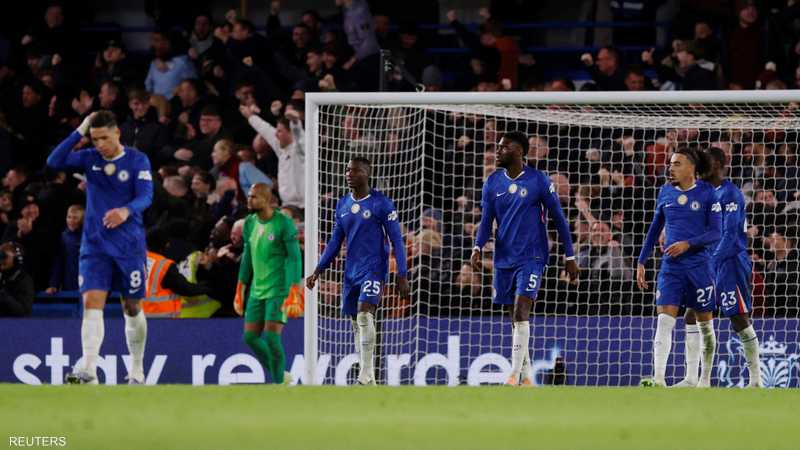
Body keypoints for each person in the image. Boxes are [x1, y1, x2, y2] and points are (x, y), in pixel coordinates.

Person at [46, 111, 153, 385]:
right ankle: (89, 370)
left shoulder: (137, 160)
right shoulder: (90, 158)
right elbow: (53, 161)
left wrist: (126, 211)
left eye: (104, 138)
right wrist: (80, 129)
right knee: (92, 303)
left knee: (131, 306)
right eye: (94, 139)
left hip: (128, 245)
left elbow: (146, 196)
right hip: (94, 246)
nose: (100, 144)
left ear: (118, 132)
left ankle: (137, 371)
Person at [470, 131, 579, 386]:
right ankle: (528, 376)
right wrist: (477, 247)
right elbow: (487, 220)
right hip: (503, 258)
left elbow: (559, 219)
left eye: (503, 147)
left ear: (519, 151)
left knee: (521, 310)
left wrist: (570, 255)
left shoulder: (538, 180)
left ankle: (514, 375)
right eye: (498, 147)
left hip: (533, 256)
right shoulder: (492, 182)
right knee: (514, 317)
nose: (497, 151)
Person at [306, 157, 410, 385]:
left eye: (354, 170)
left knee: (365, 314)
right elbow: (335, 242)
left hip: (374, 269)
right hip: (350, 272)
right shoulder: (343, 204)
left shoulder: (381, 203)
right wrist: (318, 270)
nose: (348, 173)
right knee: (356, 322)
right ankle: (368, 376)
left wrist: (402, 273)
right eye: (347, 170)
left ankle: (365, 374)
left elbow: (397, 240)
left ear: (366, 174)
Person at [674, 147, 762, 388]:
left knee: (738, 318)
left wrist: (710, 263)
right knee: (693, 314)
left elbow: (731, 235)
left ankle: (756, 380)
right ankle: (695, 378)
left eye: (709, 162)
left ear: (721, 164)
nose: (703, 167)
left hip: (730, 262)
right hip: (707, 262)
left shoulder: (731, 193)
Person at [637, 147, 721, 388]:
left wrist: (688, 244)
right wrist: (642, 260)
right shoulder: (665, 192)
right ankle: (659, 379)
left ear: (691, 168)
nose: (671, 168)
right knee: (664, 321)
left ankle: (700, 379)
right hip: (671, 268)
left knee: (704, 324)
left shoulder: (708, 194)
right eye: (671, 163)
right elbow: (655, 229)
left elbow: (716, 232)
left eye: (677, 164)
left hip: (700, 267)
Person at [235, 183, 302, 384]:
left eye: (254, 196)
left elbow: (294, 258)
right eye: (249, 196)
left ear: (267, 200)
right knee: (250, 338)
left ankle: (279, 383)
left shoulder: (283, 223)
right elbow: (247, 256)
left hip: (279, 289)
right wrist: (240, 287)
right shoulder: (249, 223)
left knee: (272, 339)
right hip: (257, 290)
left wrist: (294, 289)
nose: (249, 200)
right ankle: (282, 375)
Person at [240, 105, 304, 208]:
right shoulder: (282, 148)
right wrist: (250, 116)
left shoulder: (300, 149)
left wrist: (296, 122)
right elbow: (265, 129)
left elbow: (299, 136)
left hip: (302, 207)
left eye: (279, 131)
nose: (275, 134)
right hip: (286, 206)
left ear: (290, 132)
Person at [46, 204, 83, 294]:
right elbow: (59, 262)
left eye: (75, 218)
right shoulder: (63, 237)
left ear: (82, 220)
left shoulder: (88, 236)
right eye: (69, 217)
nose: (71, 221)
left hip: (87, 285)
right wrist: (53, 284)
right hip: (69, 285)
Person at [0, 242, 34, 317]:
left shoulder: (24, 280)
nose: (1, 260)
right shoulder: (2, 277)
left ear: (16, 259)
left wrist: (3, 295)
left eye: (4, 256)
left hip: (16, 325)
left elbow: (24, 312)